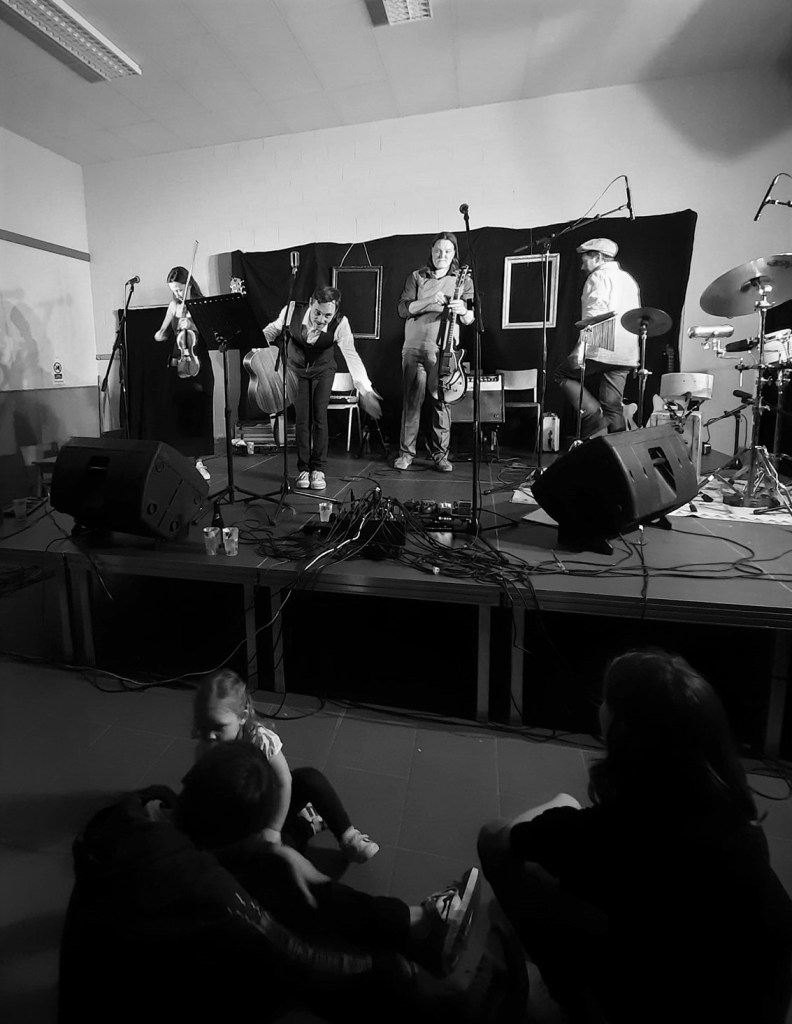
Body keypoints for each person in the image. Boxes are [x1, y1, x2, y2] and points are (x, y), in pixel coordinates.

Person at [59, 742, 481, 1024]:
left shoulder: (146, 807)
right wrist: (387, 968)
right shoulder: (199, 884)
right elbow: (299, 957)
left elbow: (224, 857)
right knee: (312, 947)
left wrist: (279, 853)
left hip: (125, 981)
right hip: (161, 1001)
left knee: (279, 873)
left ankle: (412, 928)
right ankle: (422, 976)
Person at [477, 648, 792, 1024]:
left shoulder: (618, 833)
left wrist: (565, 808)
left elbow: (507, 838)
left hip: (653, 1002)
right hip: (752, 1003)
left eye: (607, 700)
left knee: (495, 838)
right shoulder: (741, 824)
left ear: (623, 730)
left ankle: (576, 998)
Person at [193, 668, 379, 863]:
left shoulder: (260, 739)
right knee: (270, 857)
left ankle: (349, 836)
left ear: (242, 716)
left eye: (218, 727)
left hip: (274, 799)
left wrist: (274, 828)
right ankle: (309, 824)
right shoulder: (206, 748)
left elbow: (284, 781)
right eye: (202, 726)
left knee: (310, 778)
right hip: (246, 811)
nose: (209, 735)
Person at [261, 285, 382, 491]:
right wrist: (258, 343)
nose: (321, 319)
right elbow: (273, 330)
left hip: (323, 371)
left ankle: (317, 469)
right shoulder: (292, 311)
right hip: (296, 370)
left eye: (327, 315)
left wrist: (365, 390)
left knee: (319, 416)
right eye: (317, 312)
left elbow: (351, 356)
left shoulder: (341, 323)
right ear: (311, 303)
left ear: (335, 312)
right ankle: (303, 469)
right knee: (302, 419)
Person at [395, 232, 475, 472]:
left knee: (442, 404)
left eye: (448, 251)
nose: (443, 255)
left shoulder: (463, 280)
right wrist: (430, 300)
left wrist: (463, 310)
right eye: (438, 250)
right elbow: (403, 309)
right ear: (431, 251)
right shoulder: (417, 277)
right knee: (411, 403)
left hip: (444, 352)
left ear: (454, 254)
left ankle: (441, 456)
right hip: (414, 348)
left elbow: (470, 319)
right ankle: (406, 454)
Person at [554, 238, 640, 441]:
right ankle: (619, 451)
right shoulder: (628, 279)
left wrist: (580, 349)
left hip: (602, 346)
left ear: (598, 257)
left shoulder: (598, 276)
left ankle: (592, 416)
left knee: (561, 374)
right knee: (613, 405)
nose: (582, 266)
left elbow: (595, 315)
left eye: (585, 260)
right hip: (626, 353)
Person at [154, 265, 213, 480]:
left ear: (189, 285)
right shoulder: (173, 306)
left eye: (180, 289)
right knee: (179, 412)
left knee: (200, 413)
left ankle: (199, 462)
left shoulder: (202, 304)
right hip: (179, 364)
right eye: (174, 290)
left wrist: (194, 324)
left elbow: (211, 335)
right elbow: (162, 333)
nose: (178, 294)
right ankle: (179, 462)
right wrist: (160, 334)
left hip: (200, 365)